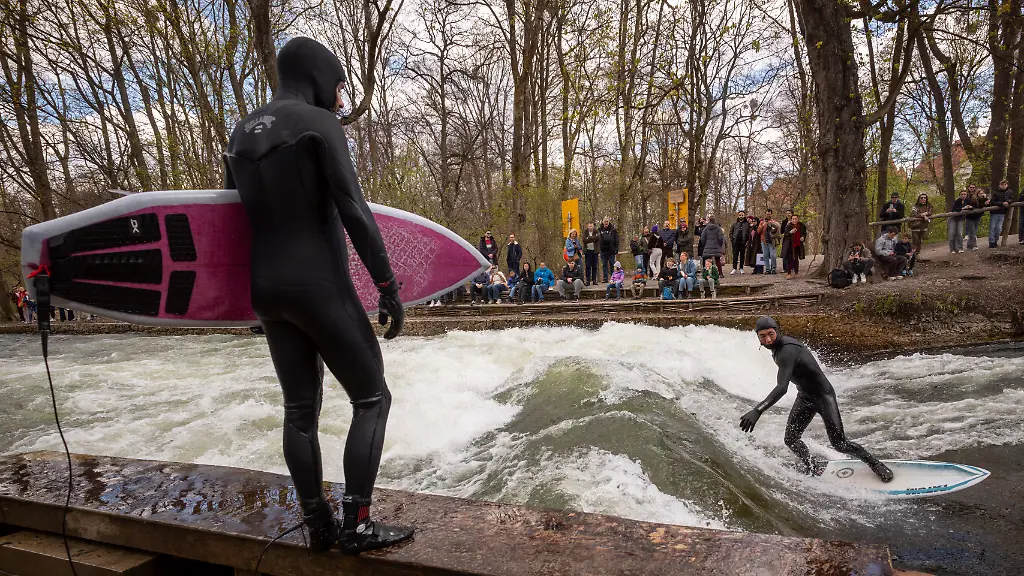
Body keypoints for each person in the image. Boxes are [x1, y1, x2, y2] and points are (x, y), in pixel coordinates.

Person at [223, 37, 411, 554]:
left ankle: (317, 524)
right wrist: (387, 286)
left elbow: (228, 223)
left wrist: (245, 304)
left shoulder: (240, 133)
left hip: (267, 292)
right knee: (372, 397)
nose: (342, 96)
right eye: (339, 84)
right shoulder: (318, 124)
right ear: (318, 75)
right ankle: (358, 525)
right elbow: (353, 209)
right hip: (318, 285)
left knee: (299, 411)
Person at [740, 317, 894, 482]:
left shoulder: (786, 350)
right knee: (791, 439)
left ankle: (875, 464)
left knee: (839, 443)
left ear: (778, 330)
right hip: (805, 396)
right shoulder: (777, 349)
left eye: (771, 334)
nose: (768, 339)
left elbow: (782, 387)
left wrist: (758, 410)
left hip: (823, 396)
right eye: (762, 336)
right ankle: (812, 466)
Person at [987, 180, 1013, 248]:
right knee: (992, 228)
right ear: (1000, 185)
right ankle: (991, 242)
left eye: (1005, 184)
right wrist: (1002, 203)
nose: (1004, 186)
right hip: (994, 212)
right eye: (1002, 184)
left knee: (999, 228)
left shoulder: (1009, 192)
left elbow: (1012, 199)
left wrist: (1008, 202)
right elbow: (993, 201)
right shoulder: (996, 192)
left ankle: (995, 240)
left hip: (1002, 212)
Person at [781, 214, 804, 279]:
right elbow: (785, 235)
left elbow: (804, 233)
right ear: (791, 220)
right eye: (793, 219)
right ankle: (789, 273)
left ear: (798, 219)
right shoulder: (788, 226)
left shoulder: (801, 225)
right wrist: (790, 232)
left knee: (796, 258)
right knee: (790, 259)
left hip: (798, 244)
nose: (794, 220)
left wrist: (803, 237)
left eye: (795, 219)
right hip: (790, 245)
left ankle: (796, 272)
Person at [598, 217, 619, 282]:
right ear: (602, 222)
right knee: (604, 265)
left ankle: (614, 278)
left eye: (607, 221)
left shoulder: (613, 229)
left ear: (609, 222)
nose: (606, 223)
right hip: (603, 250)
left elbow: (616, 240)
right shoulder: (599, 230)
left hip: (611, 250)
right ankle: (605, 278)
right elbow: (597, 240)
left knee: (612, 264)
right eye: (605, 221)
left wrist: (616, 249)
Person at [949, 189, 969, 253]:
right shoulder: (957, 201)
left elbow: (973, 206)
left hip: (960, 219)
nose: (963, 196)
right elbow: (954, 209)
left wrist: (970, 207)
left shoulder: (968, 201)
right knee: (952, 234)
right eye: (962, 194)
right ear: (960, 195)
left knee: (959, 234)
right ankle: (952, 249)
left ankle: (960, 248)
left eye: (964, 194)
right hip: (953, 218)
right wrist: (963, 208)